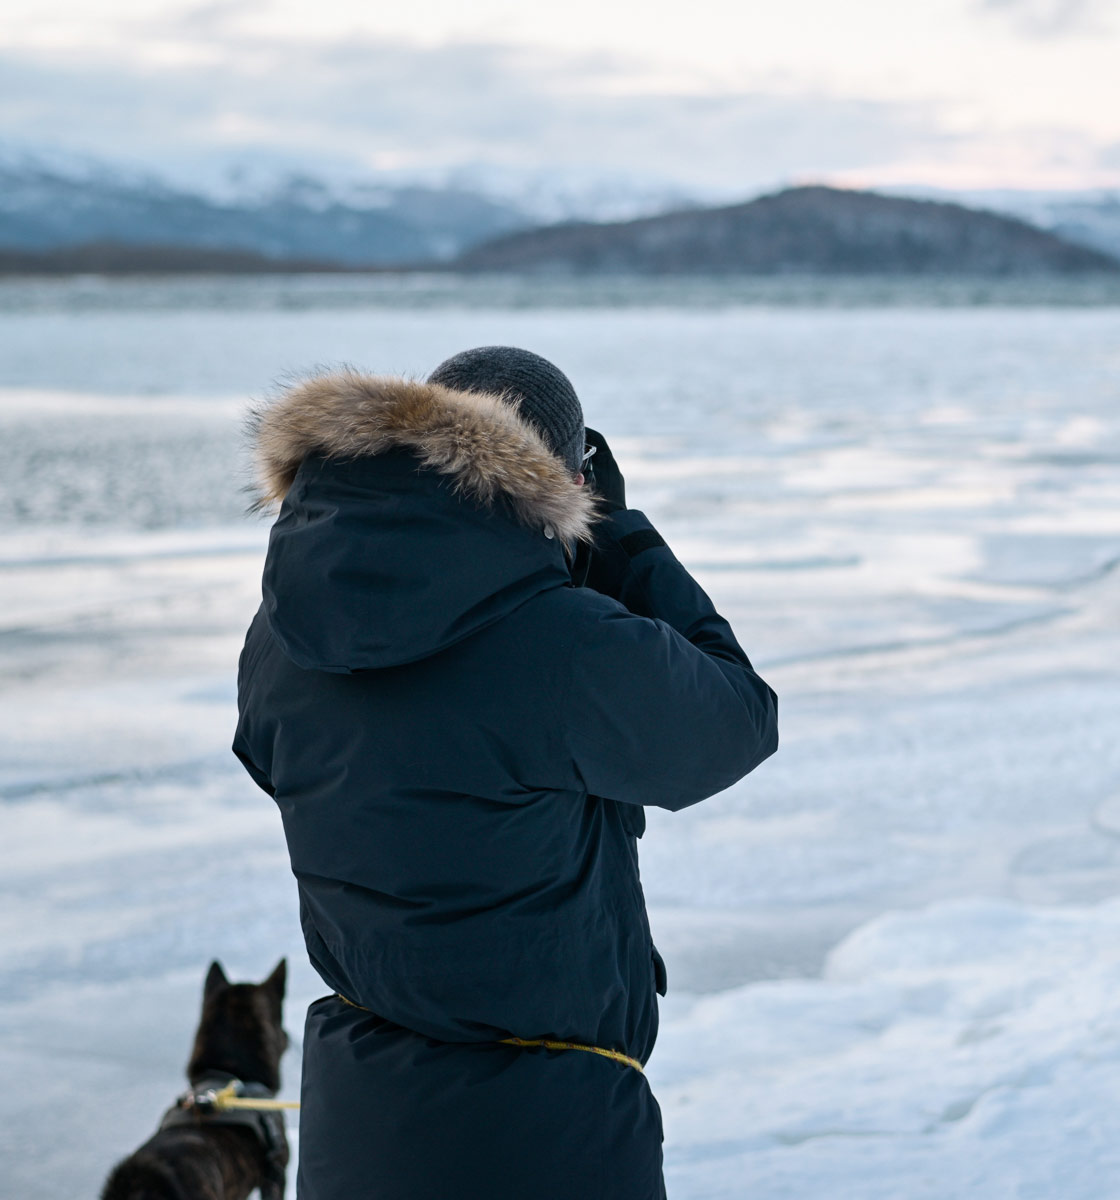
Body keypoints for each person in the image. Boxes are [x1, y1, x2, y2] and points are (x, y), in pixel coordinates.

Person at [233, 346, 778, 1199]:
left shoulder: (281, 633)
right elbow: (737, 723)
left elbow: (279, 762)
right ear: (563, 480)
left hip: (360, 1118)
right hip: (542, 1126)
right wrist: (625, 542)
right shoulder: (564, 644)